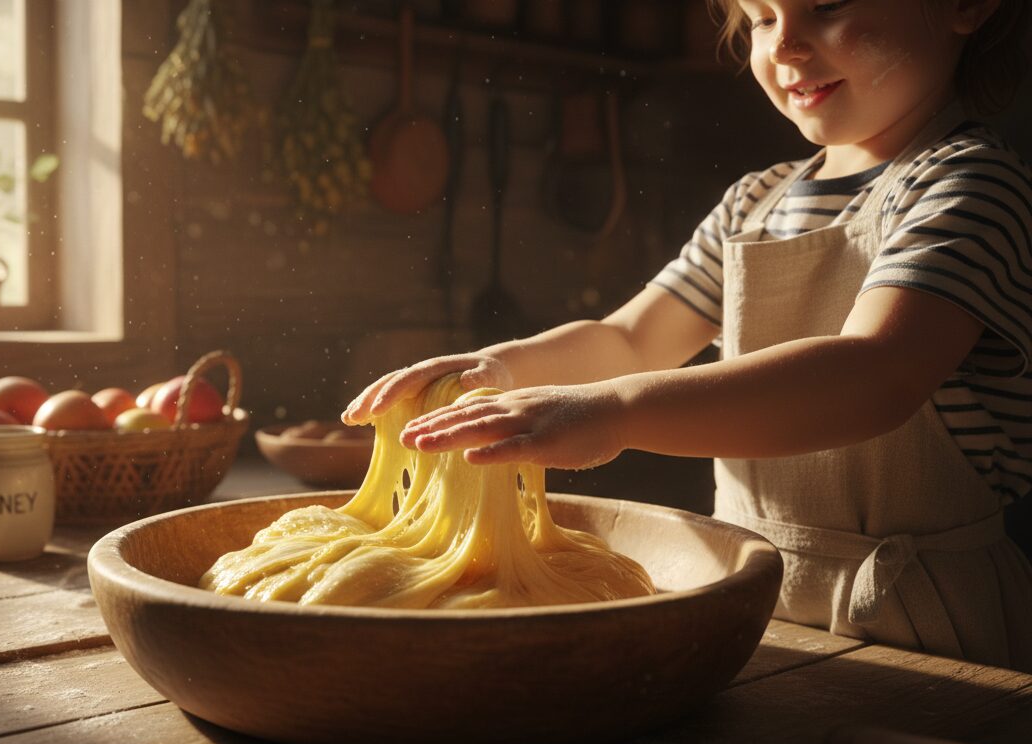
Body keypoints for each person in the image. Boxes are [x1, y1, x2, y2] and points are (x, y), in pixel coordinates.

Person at [342, 0, 1032, 672]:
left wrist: (616, 412)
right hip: (752, 594)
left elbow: (875, 376)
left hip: (924, 620)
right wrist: (499, 368)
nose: (784, 45)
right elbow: (632, 340)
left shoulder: (971, 185)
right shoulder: (753, 202)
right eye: (762, 18)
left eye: (825, 6)